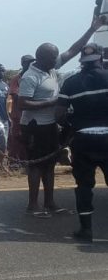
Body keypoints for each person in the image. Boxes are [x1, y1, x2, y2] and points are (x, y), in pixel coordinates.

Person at [18, 16, 108, 217]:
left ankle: (50, 203)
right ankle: (33, 206)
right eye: (53, 57)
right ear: (41, 58)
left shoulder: (50, 67)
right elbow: (22, 103)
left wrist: (92, 28)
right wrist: (52, 102)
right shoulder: (30, 76)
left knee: (50, 164)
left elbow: (74, 50)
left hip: (49, 124)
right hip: (34, 126)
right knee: (36, 165)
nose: (57, 60)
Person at [55, 43, 108, 241]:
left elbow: (59, 114)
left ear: (81, 62)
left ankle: (86, 230)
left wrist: (72, 124)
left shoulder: (71, 83)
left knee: (84, 186)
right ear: (100, 59)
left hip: (83, 139)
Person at [7, 55, 35, 162]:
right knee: (17, 138)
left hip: (30, 115)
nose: (31, 65)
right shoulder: (17, 79)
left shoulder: (33, 78)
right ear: (23, 64)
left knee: (28, 139)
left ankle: (26, 160)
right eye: (29, 62)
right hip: (18, 115)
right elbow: (16, 95)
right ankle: (15, 162)